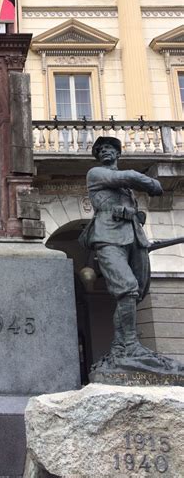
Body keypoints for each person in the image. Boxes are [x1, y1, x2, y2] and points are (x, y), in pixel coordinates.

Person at [79, 136, 163, 361]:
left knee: (134, 294)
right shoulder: (96, 174)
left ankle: (119, 347)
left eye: (110, 148)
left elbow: (127, 195)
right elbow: (129, 176)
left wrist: (135, 216)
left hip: (133, 236)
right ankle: (132, 344)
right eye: (101, 149)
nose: (105, 151)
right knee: (127, 288)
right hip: (107, 237)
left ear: (118, 154)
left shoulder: (126, 190)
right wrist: (153, 184)